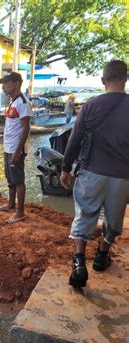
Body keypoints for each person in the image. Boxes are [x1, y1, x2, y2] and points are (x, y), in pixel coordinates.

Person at [60, 60, 128, 288]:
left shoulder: (91, 105)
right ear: (126, 79)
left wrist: (65, 167)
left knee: (85, 215)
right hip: (122, 176)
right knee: (114, 218)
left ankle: (79, 263)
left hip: (91, 172)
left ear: (103, 80)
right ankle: (101, 256)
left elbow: (74, 139)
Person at [0, 72, 32, 224]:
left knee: (18, 180)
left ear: (17, 83)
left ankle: (20, 212)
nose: (3, 87)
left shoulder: (23, 102)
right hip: (8, 147)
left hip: (16, 148)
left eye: (7, 84)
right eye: (3, 84)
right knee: (10, 178)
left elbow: (25, 129)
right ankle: (11, 204)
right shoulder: (13, 101)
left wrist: (18, 151)